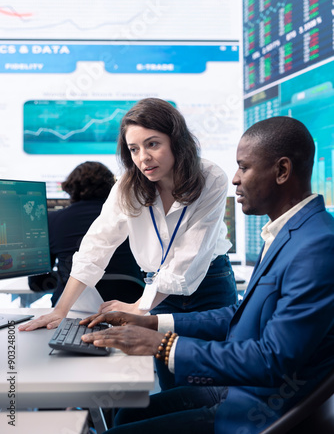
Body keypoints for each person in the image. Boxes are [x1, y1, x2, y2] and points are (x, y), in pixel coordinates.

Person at [78, 116, 334, 434]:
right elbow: (242, 316)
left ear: (282, 171)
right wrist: (152, 322)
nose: (236, 179)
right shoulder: (287, 233)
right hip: (240, 390)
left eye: (244, 167)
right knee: (126, 415)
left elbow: (273, 360)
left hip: (257, 410)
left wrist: (163, 345)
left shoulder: (317, 246)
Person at [20, 98, 236, 332]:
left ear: (177, 142)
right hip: (156, 290)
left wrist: (138, 306)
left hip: (210, 284)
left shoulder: (211, 178)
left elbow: (188, 260)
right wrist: (59, 311)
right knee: (163, 363)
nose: (143, 157)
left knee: (216, 363)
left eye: (152, 144)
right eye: (134, 149)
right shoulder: (128, 186)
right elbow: (96, 247)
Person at [28, 161, 144, 306]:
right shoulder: (132, 218)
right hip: (130, 302)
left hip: (72, 305)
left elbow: (37, 283)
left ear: (70, 188)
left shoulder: (51, 221)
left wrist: (62, 276)